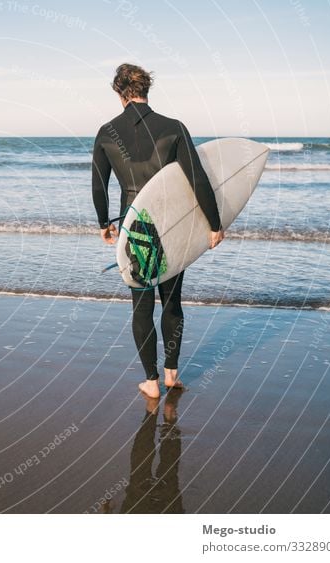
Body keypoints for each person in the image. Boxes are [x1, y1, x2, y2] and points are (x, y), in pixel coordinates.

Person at [91, 63, 225, 399]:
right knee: (171, 302)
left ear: (119, 94)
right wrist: (214, 223)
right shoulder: (173, 128)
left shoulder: (107, 133)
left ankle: (150, 381)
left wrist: (103, 223)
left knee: (141, 304)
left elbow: (98, 185)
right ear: (146, 90)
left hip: (134, 226)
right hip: (171, 225)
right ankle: (171, 374)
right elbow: (197, 179)